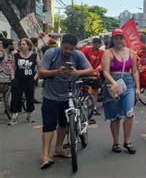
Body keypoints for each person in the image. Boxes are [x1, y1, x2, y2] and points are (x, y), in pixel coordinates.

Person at [38, 34, 94, 169]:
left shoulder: (78, 55)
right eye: (66, 48)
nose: (68, 51)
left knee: (63, 125)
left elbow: (90, 69)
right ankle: (45, 156)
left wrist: (77, 73)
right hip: (50, 96)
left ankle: (58, 149)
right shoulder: (51, 53)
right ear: (61, 44)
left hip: (69, 96)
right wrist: (57, 71)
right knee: (49, 126)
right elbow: (41, 72)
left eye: (71, 49)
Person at [101, 28, 140, 154]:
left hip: (128, 83)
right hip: (113, 83)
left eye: (121, 38)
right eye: (116, 38)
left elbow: (134, 71)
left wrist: (138, 88)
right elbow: (105, 71)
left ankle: (127, 142)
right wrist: (113, 83)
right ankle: (116, 142)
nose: (119, 40)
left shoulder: (132, 53)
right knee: (115, 116)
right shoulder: (108, 53)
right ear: (113, 40)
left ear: (125, 39)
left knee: (129, 113)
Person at [8, 39, 41, 125]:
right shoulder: (16, 55)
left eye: (24, 44)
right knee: (15, 98)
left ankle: (29, 115)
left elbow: (41, 68)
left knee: (30, 98)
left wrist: (35, 78)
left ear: (28, 46)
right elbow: (12, 67)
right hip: (18, 79)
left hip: (30, 80)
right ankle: (13, 117)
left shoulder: (34, 56)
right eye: (21, 44)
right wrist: (13, 78)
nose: (22, 46)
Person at [80, 38, 104, 116]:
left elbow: (103, 63)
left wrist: (98, 70)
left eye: (98, 43)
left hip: (95, 74)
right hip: (86, 72)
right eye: (95, 43)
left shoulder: (102, 52)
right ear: (92, 44)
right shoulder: (87, 50)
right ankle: (81, 105)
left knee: (95, 91)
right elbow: (80, 57)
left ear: (100, 44)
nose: (96, 45)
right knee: (83, 89)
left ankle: (94, 108)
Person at [0, 39, 14, 104]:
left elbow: (11, 66)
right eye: (13, 44)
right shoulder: (2, 53)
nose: (15, 46)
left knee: (6, 94)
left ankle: (7, 107)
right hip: (2, 78)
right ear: (9, 45)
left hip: (8, 77)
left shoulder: (11, 54)